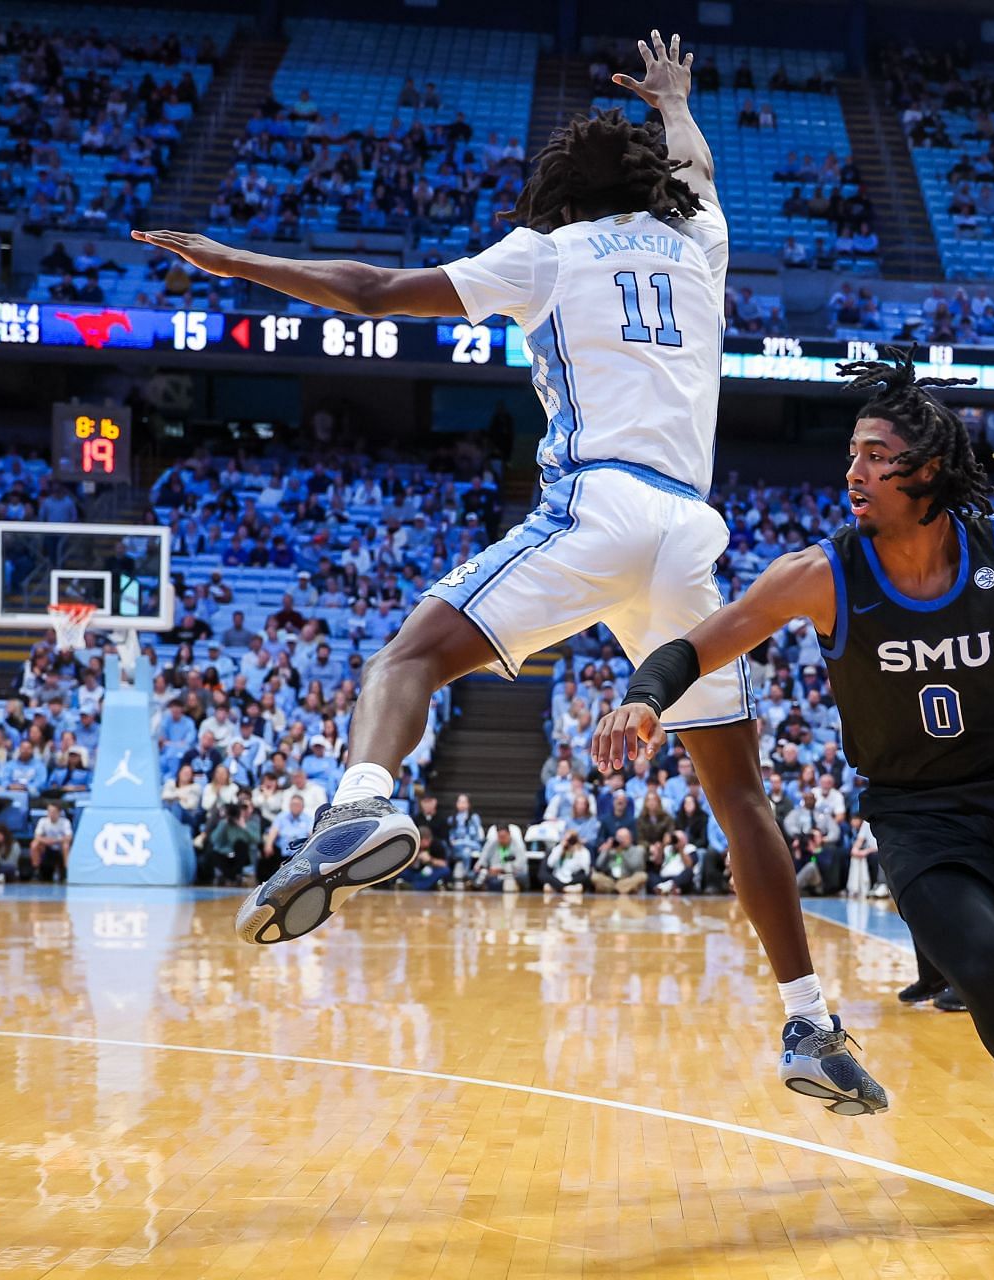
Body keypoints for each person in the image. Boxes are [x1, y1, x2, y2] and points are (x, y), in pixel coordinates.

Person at [136, 29, 883, 1113]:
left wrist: (234, 260)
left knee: (405, 659)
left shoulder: (550, 252)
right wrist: (676, 102)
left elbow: (376, 290)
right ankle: (811, 1020)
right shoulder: (703, 241)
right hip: (687, 530)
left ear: (559, 195)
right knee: (740, 793)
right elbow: (702, 173)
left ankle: (360, 805)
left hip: (597, 504)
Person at [591, 352, 994, 1223]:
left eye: (872, 454)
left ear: (926, 470)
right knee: (976, 973)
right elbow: (701, 644)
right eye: (850, 453)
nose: (850, 471)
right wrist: (642, 699)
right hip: (917, 811)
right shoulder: (819, 574)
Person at [30, 802, 73, 882]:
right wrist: (47, 841)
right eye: (49, 811)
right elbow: (37, 836)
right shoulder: (43, 821)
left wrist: (55, 841)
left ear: (59, 812)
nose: (51, 813)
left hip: (60, 846)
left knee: (66, 845)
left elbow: (69, 837)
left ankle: (66, 872)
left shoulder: (65, 822)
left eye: (53, 811)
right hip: (46, 847)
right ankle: (36, 871)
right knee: (34, 844)